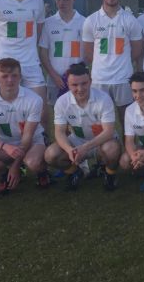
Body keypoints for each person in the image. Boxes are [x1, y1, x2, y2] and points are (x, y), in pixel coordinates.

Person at [45, 63, 121, 191]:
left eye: (84, 83)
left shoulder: (103, 99)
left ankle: (109, 174)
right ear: (68, 84)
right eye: (74, 85)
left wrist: (85, 148)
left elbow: (108, 132)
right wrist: (69, 150)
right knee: (50, 154)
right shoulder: (62, 102)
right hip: (77, 141)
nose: (80, 89)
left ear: (90, 81)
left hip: (102, 141)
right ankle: (75, 172)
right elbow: (59, 132)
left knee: (112, 149)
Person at [0, 58, 48, 195]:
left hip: (33, 142)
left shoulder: (34, 99)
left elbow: (28, 136)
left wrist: (15, 165)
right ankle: (6, 175)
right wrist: (5, 146)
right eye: (5, 76)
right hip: (8, 145)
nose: (10, 80)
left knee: (32, 162)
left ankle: (42, 172)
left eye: (14, 76)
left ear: (20, 77)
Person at [82, 0, 143, 127]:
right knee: (98, 119)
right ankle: (105, 143)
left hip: (123, 78)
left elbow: (137, 50)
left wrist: (122, 62)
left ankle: (127, 142)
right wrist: (103, 65)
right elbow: (89, 52)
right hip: (100, 79)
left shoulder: (130, 20)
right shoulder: (91, 20)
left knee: (126, 119)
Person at [38, 0, 85, 105]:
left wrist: (78, 74)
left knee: (79, 111)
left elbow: (90, 53)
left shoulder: (84, 22)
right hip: (55, 80)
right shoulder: (48, 23)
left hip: (78, 80)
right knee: (57, 113)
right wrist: (54, 75)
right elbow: (43, 53)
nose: (61, 3)